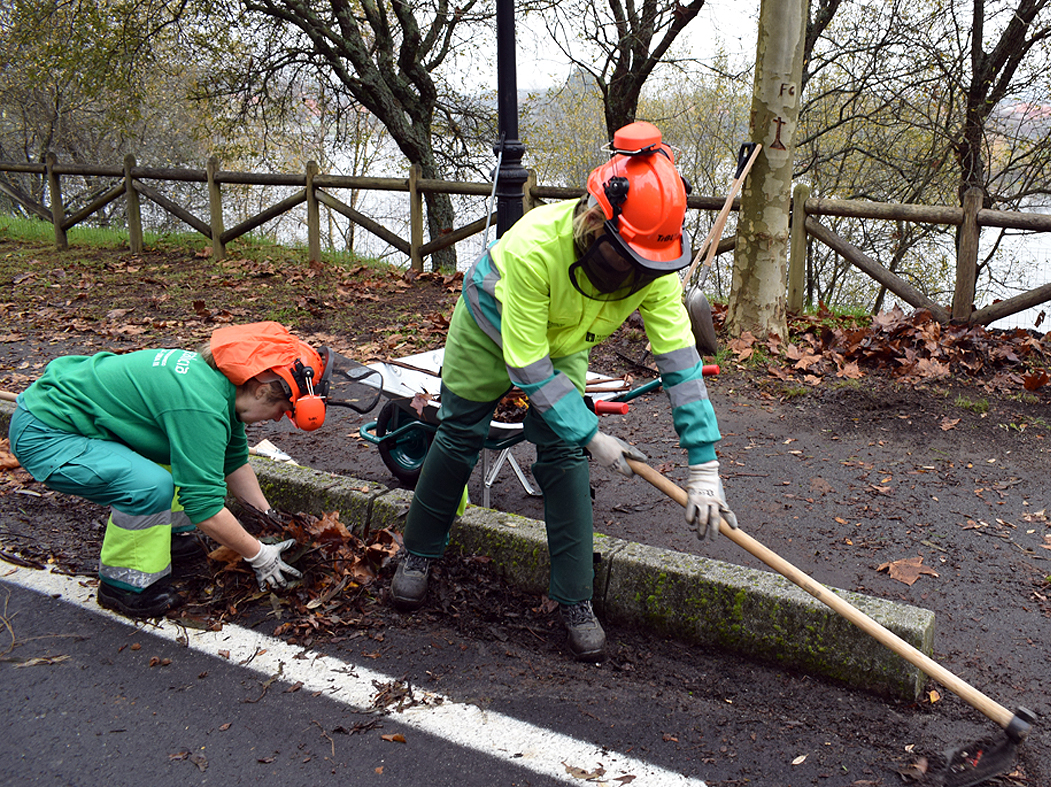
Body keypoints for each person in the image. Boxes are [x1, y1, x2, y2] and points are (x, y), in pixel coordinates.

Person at [391, 121, 737, 660]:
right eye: (626, 260)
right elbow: (526, 361)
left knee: (563, 453)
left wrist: (704, 465)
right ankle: (418, 554)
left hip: (565, 340)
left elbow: (681, 365)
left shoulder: (656, 267)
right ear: (596, 224)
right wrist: (592, 430)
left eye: (646, 266)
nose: (634, 276)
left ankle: (575, 600)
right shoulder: (534, 249)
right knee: (460, 432)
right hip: (490, 327)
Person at [7, 321, 328, 619]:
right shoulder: (200, 404)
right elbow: (205, 508)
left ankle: (167, 536)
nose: (276, 419)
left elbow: (233, 461)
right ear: (260, 389)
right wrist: (258, 554)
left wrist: (268, 516)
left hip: (75, 422)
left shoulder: (218, 386)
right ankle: (125, 587)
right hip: (46, 434)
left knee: (184, 464)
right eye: (281, 409)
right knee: (149, 486)